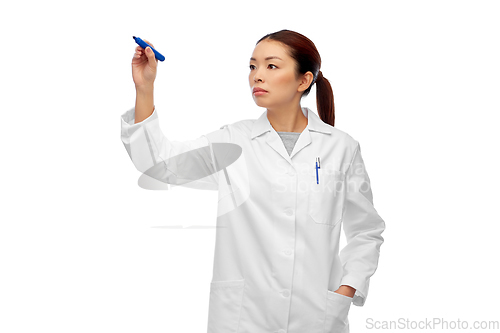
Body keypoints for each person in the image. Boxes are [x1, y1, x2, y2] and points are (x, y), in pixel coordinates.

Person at [120, 29, 386, 333]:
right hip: (243, 318)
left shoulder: (341, 148)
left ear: (304, 80)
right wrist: (145, 88)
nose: (257, 76)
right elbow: (161, 166)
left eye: (271, 66)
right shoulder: (234, 141)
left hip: (316, 318)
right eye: (252, 66)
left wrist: (347, 288)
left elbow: (366, 229)